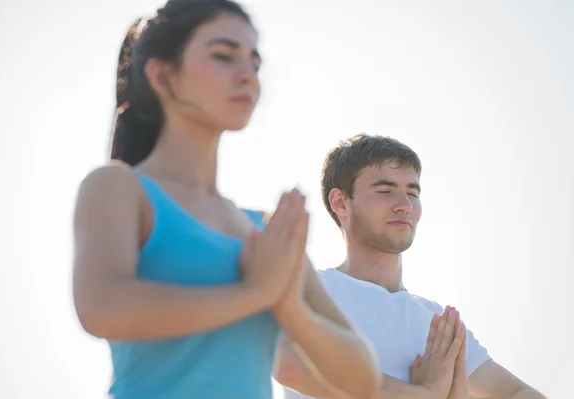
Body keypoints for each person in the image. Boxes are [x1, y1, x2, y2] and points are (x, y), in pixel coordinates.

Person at [71, 1, 380, 398]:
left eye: (254, 62)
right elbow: (101, 307)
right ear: (163, 77)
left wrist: (292, 311)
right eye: (223, 56)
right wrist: (254, 295)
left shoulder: (266, 230)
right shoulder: (117, 187)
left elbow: (362, 380)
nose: (247, 75)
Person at [281, 134, 546, 399]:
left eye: (412, 192)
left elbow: (516, 392)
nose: (404, 206)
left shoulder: (438, 322)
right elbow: (294, 368)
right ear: (340, 202)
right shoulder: (309, 290)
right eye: (384, 191)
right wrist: (423, 394)